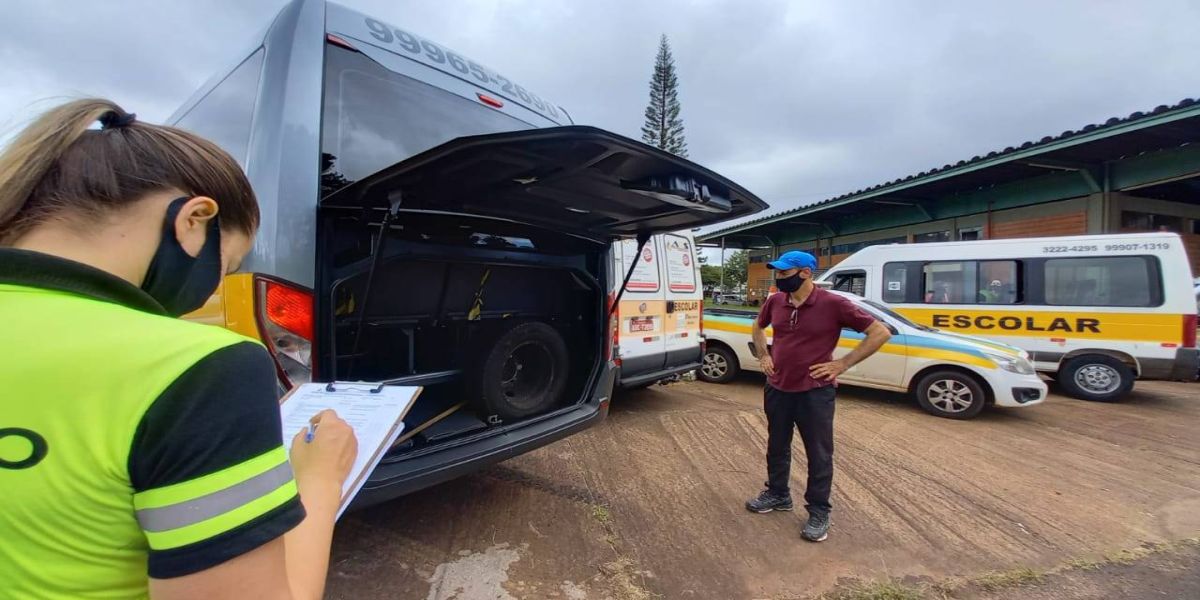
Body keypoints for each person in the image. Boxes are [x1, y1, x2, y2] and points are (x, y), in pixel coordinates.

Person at [0, 99, 358, 599]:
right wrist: (319, 479)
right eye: (226, 265)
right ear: (194, 220)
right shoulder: (200, 370)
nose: (216, 284)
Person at [745, 251, 891, 542]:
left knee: (819, 453)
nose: (779, 278)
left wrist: (843, 364)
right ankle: (778, 494)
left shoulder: (833, 304)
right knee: (777, 445)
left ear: (806, 273)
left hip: (814, 392)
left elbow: (880, 332)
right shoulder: (776, 301)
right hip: (778, 387)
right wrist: (764, 355)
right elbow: (758, 326)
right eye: (778, 272)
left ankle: (819, 510)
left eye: (785, 273)